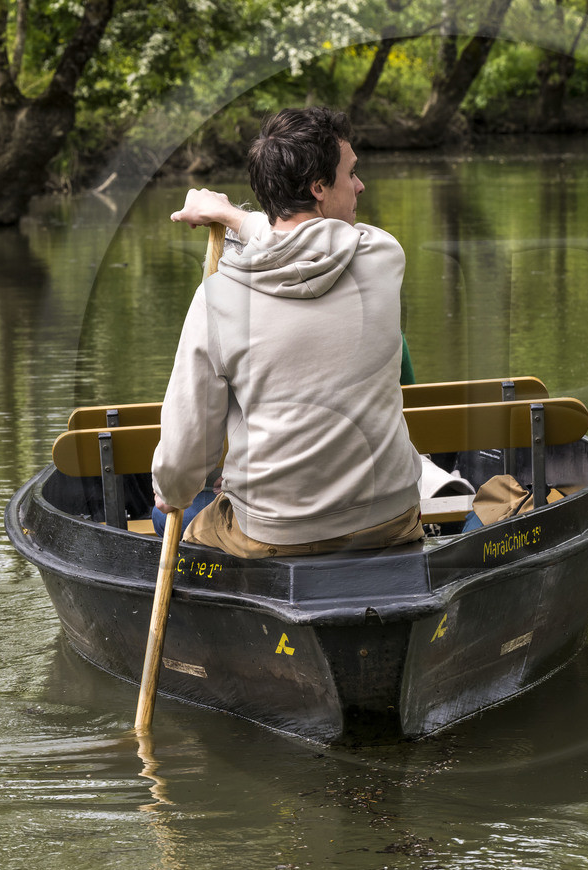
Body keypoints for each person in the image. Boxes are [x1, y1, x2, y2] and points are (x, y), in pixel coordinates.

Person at [149, 107, 423, 558]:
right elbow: (314, 241)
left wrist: (170, 492)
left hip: (274, 536)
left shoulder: (216, 299)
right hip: (389, 520)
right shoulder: (381, 256)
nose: (360, 186)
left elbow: (184, 459)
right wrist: (231, 215)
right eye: (350, 174)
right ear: (318, 188)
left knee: (166, 512)